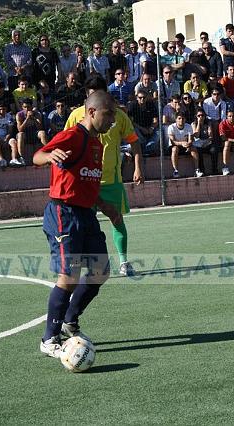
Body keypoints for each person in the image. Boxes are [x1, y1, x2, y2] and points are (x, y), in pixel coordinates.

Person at [34, 91, 118, 358]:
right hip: (64, 213)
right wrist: (48, 156)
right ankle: (49, 339)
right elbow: (37, 156)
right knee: (68, 276)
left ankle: (71, 319)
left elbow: (88, 183)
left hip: (86, 215)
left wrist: (106, 207)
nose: (113, 120)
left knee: (100, 271)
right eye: (109, 114)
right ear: (92, 112)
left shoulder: (96, 144)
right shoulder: (73, 135)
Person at [64, 75, 143, 277]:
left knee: (117, 219)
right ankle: (82, 264)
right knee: (82, 224)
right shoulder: (75, 116)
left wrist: (137, 167)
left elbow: (134, 141)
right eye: (90, 95)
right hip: (84, 181)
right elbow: (65, 145)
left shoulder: (118, 116)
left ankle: (124, 262)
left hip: (111, 181)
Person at [168, 112, 201, 178]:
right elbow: (173, 141)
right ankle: (176, 171)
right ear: (176, 119)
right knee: (174, 149)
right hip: (175, 146)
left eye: (183, 118)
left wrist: (189, 144)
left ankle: (197, 170)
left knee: (194, 149)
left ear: (185, 119)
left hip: (186, 146)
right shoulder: (171, 127)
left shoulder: (188, 126)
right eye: (179, 118)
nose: (181, 120)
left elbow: (190, 139)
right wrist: (182, 143)